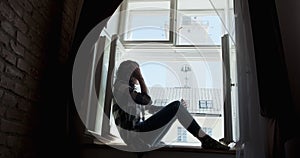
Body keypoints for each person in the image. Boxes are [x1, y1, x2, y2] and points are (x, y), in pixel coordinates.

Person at [112, 60, 230, 151]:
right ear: (127, 72)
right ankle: (206, 140)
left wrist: (177, 110)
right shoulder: (120, 87)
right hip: (137, 137)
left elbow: (151, 108)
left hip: (140, 137)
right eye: (134, 70)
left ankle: (206, 139)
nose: (137, 72)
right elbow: (146, 100)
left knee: (177, 108)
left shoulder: (130, 92)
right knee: (176, 107)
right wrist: (141, 79)